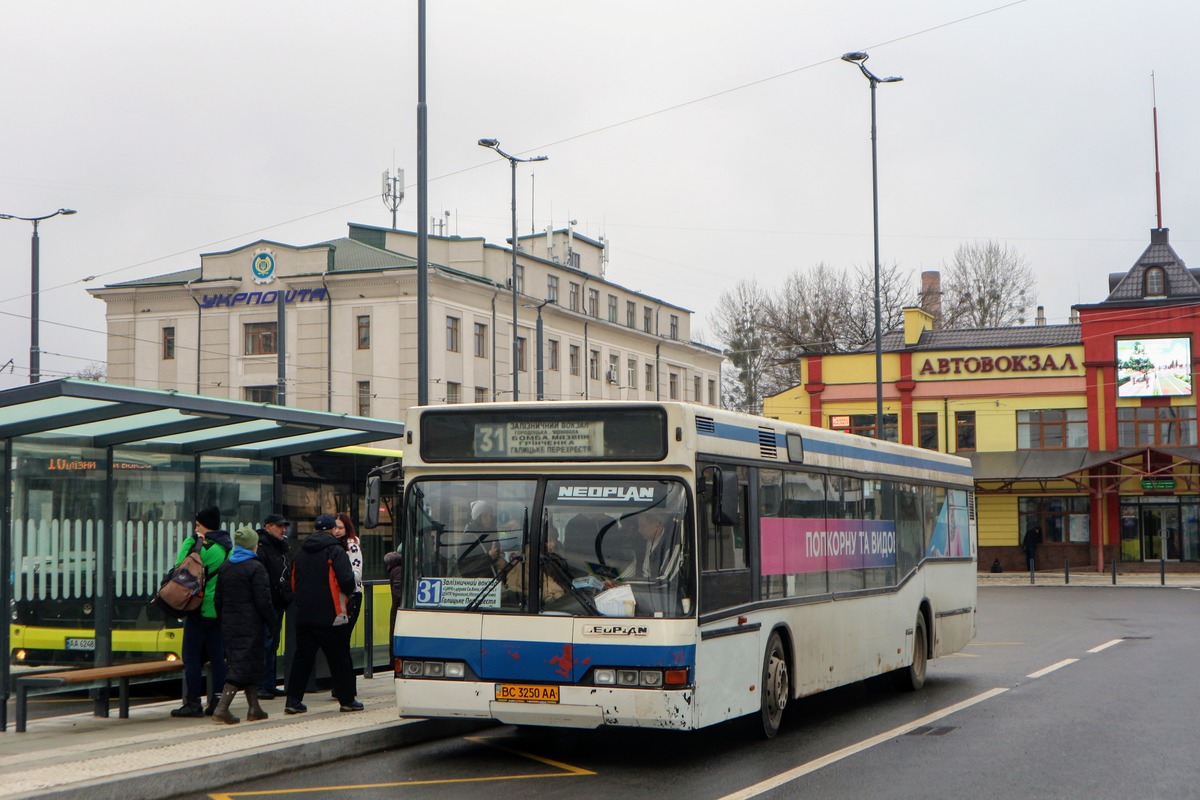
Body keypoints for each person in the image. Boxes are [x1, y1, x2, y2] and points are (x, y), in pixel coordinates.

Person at [283, 514, 363, 714]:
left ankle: (293, 701)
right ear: (330, 530)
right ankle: (347, 701)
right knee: (339, 659)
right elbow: (347, 581)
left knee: (302, 659)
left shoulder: (300, 552)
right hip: (332, 615)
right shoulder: (336, 551)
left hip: (304, 616)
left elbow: (293, 584)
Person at [170, 506, 232, 718]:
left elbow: (180, 568)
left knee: (192, 657)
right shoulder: (226, 547)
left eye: (197, 525)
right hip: (218, 612)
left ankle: (193, 702)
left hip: (198, 609)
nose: (195, 528)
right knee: (217, 658)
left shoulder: (198, 546)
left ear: (204, 526)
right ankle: (217, 700)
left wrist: (192, 541)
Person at [212, 526, 275, 724]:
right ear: (252, 546)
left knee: (247, 664)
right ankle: (222, 708)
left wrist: (224, 619)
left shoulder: (226, 566)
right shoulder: (256, 568)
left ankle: (254, 708)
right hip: (250, 625)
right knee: (240, 669)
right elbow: (263, 601)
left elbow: (217, 599)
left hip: (230, 625)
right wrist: (272, 622)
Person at [254, 513, 291, 700]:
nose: (283, 529)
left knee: (273, 644)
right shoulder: (262, 547)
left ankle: (269, 683)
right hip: (267, 604)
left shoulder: (280, 547)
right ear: (268, 527)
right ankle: (261, 685)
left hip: (278, 603)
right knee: (266, 644)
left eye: (284, 526)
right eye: (279, 526)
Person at [458, 500, 505, 577]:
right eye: (485, 516)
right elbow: (464, 568)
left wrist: (501, 561)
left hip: (493, 583)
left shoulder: (492, 535)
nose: (489, 518)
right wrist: (488, 557)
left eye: (490, 516)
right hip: (476, 585)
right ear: (478, 518)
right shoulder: (469, 537)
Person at [636, 511, 682, 583]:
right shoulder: (642, 543)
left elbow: (666, 578)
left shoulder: (673, 543)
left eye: (643, 526)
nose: (639, 530)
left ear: (657, 525)